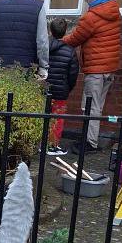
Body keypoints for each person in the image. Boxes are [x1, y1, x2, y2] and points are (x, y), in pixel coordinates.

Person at [63, 0, 121, 153]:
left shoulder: (92, 16)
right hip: (110, 68)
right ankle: (90, 138)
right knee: (97, 106)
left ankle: (90, 144)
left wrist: (58, 41)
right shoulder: (113, 10)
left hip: (96, 69)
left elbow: (76, 38)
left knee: (90, 107)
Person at [44, 18, 79, 157]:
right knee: (57, 119)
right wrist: (67, 88)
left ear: (50, 31)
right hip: (61, 92)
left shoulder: (43, 48)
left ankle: (41, 144)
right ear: (65, 32)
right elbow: (73, 75)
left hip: (44, 89)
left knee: (43, 117)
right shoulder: (70, 51)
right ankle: (52, 146)